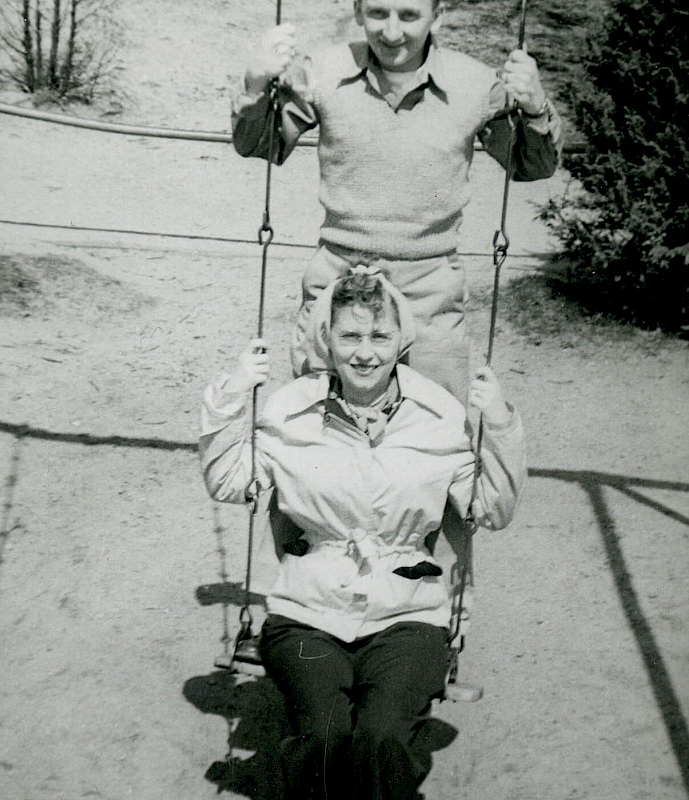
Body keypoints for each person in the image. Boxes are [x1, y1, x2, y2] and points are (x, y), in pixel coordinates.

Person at [200, 268, 526, 800]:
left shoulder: (439, 415)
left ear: (403, 340)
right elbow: (229, 481)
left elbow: (490, 509)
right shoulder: (290, 410)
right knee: (325, 738)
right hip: (308, 614)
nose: (365, 353)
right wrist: (232, 394)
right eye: (350, 336)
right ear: (327, 340)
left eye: (379, 336)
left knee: (380, 741)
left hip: (408, 616)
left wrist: (501, 424)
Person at [232, 0, 564, 402]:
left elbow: (531, 165)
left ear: (437, 16)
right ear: (357, 11)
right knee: (316, 433)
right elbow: (260, 146)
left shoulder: (475, 84)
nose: (391, 32)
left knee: (435, 433)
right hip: (338, 285)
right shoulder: (321, 71)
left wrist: (534, 107)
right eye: (377, 13)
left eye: (408, 16)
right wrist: (255, 84)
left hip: (430, 293)